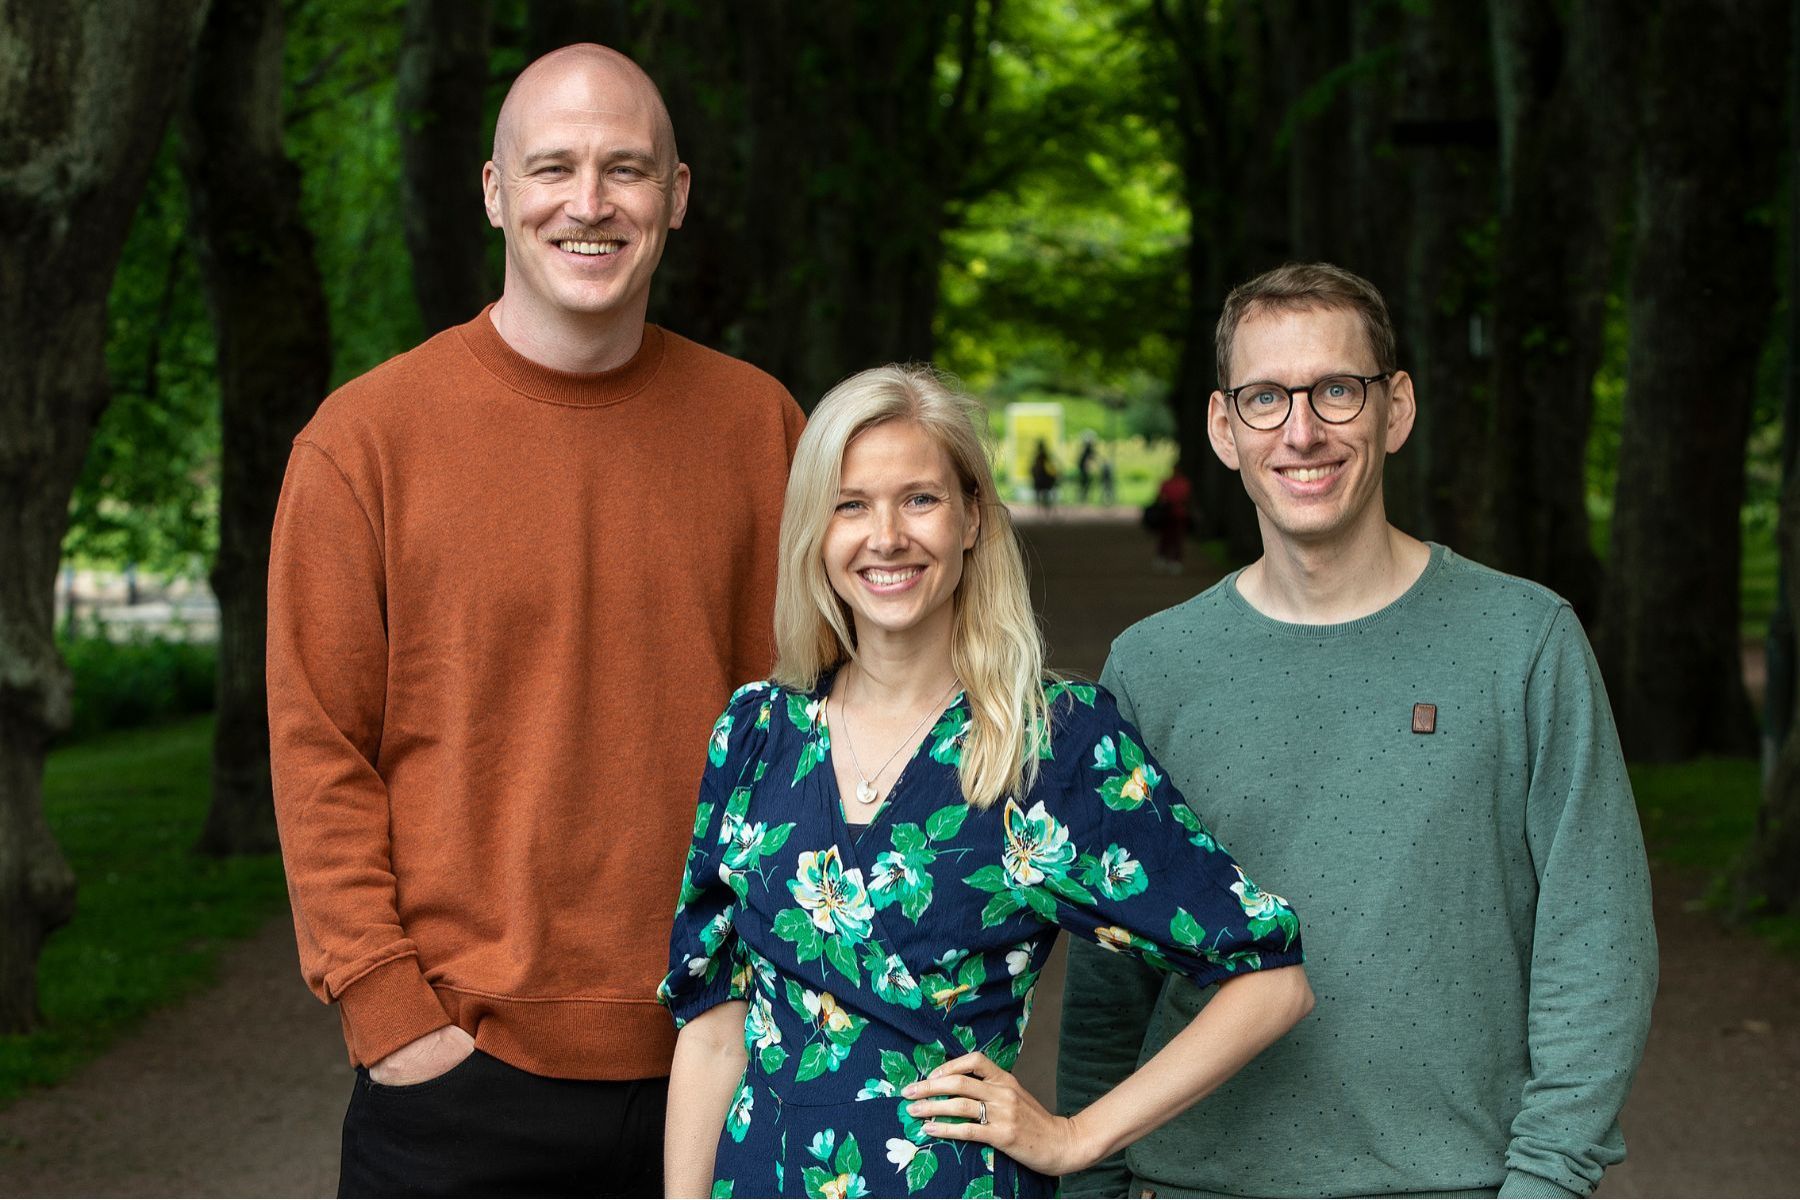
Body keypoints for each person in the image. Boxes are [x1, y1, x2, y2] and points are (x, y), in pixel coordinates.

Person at [266, 44, 804, 1196]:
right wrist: (389, 1016)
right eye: (552, 167)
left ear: (678, 197)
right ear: (495, 191)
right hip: (458, 1079)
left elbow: (827, 727)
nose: (591, 203)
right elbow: (321, 753)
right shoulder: (363, 445)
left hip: (724, 1061)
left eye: (627, 169)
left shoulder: (764, 430)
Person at [1059, 263, 1657, 1199]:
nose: (1303, 431)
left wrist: (1547, 1183)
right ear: (1224, 427)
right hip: (1196, 1184)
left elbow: (1598, 943)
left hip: (1456, 1183)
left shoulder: (1525, 641)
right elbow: (1110, 974)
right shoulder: (1151, 667)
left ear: (1396, 408)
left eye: (1337, 390)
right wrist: (1088, 1183)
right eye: (1266, 398)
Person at [659, 366, 1313, 1199]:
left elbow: (1269, 978)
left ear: (972, 518)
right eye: (850, 504)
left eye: (919, 500)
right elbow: (716, 1032)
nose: (885, 536)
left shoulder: (1050, 744)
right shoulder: (756, 733)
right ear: (813, 532)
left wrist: (1079, 1137)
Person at [1150, 466, 1191, 574]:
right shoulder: (1183, 483)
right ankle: (1170, 560)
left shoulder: (1170, 483)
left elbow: (1160, 497)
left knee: (1172, 538)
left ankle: (1169, 559)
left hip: (1175, 515)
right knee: (1169, 538)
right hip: (1171, 515)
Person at [1030, 439, 1058, 513]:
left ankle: (1040, 507)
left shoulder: (1037, 457)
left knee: (1040, 492)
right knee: (1047, 491)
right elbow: (1051, 469)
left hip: (1039, 482)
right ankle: (1046, 506)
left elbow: (1032, 470)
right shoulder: (1045, 456)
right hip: (1046, 482)